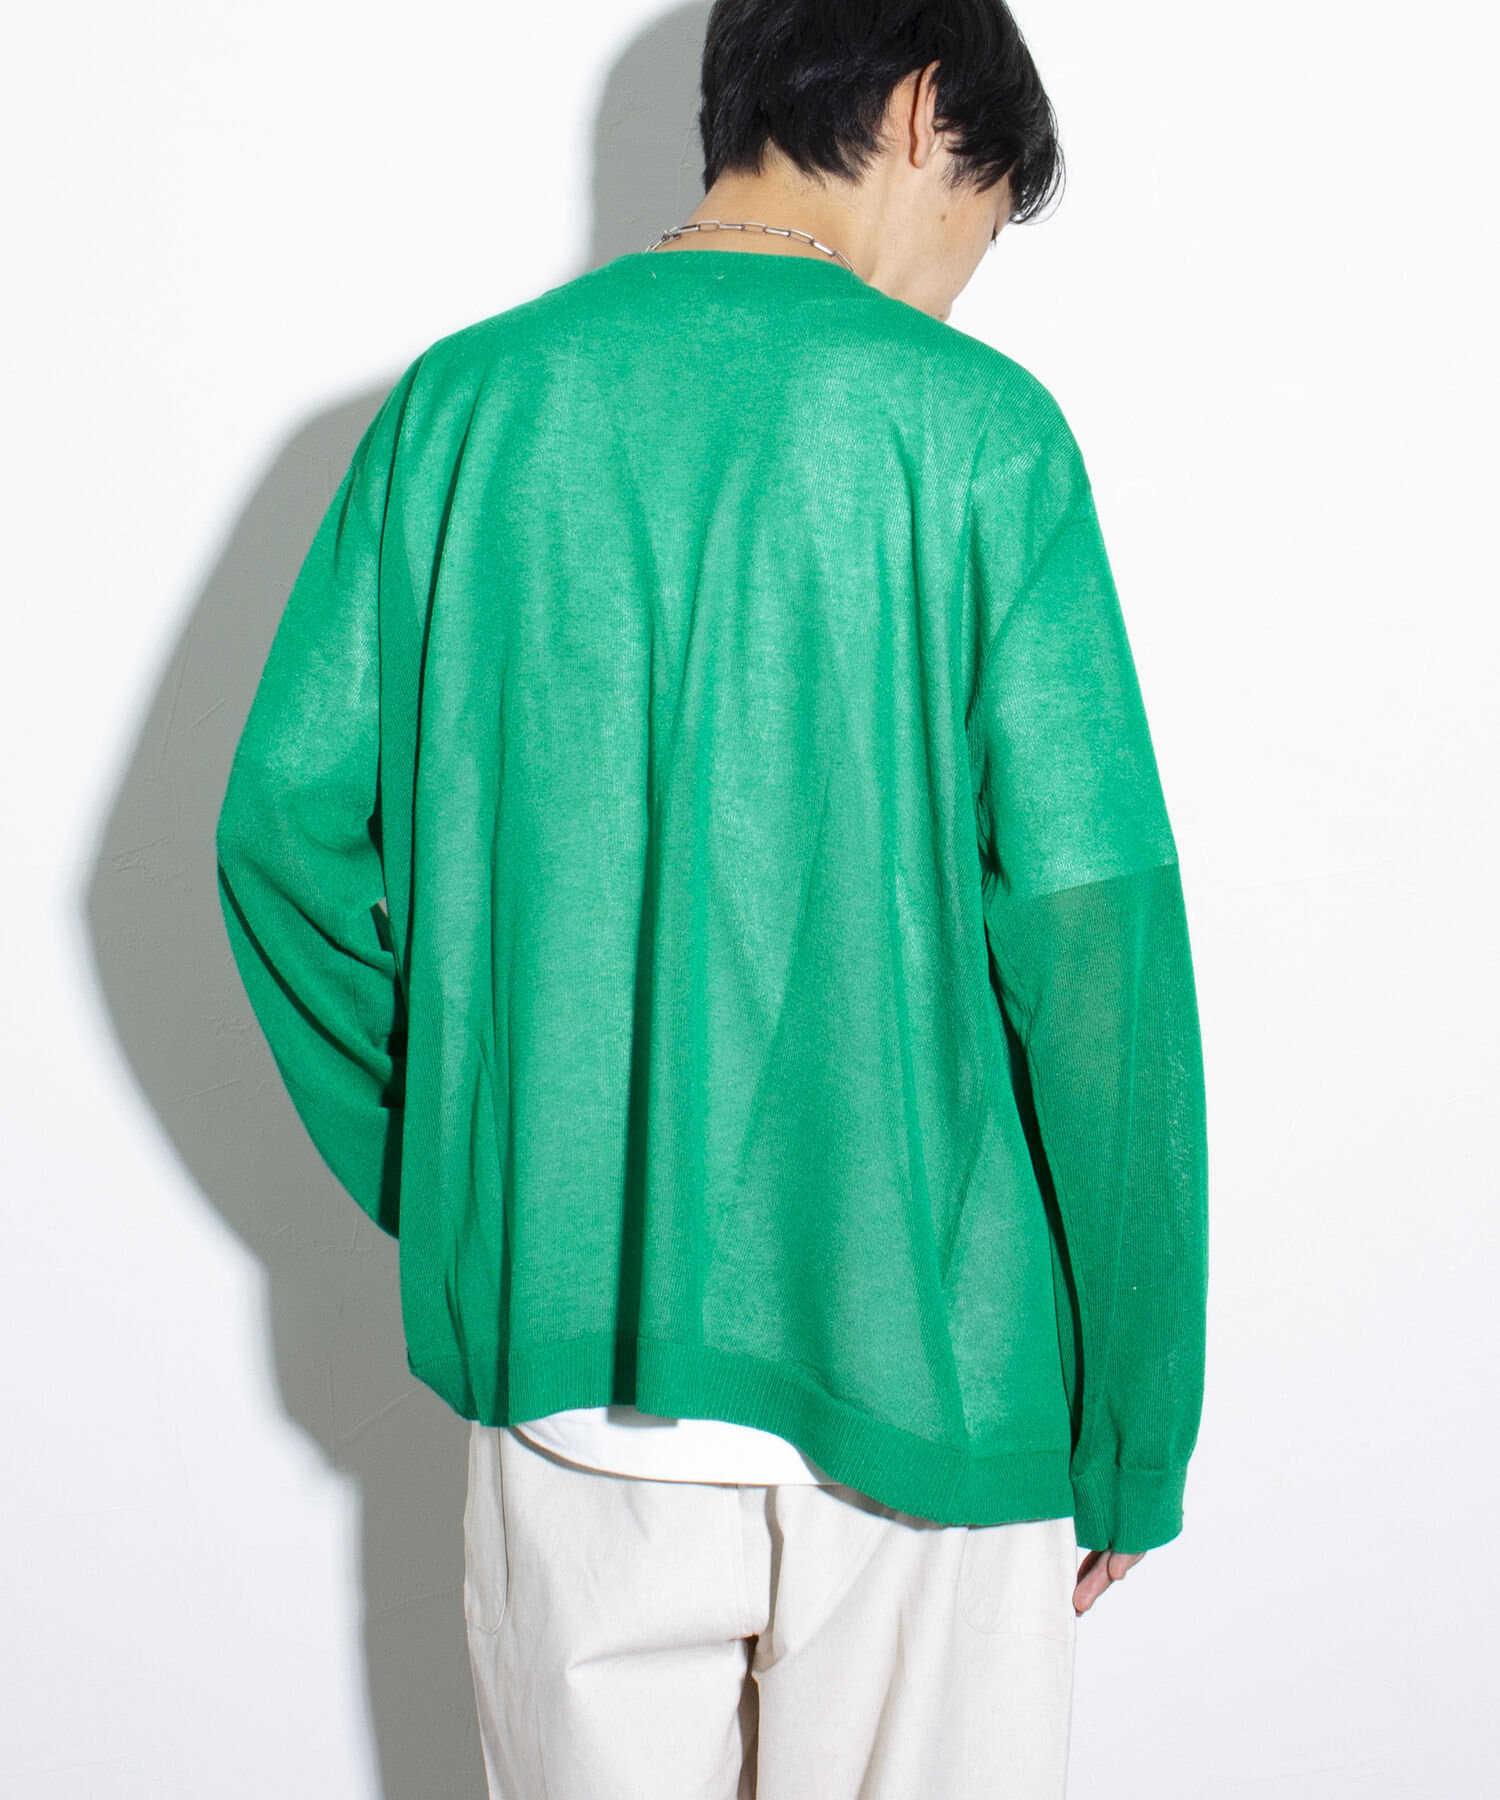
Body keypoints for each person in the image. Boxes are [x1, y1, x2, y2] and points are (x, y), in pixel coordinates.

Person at [214, 0, 1210, 1793]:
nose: (954, 290)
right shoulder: (976, 430)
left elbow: (284, 835)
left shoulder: (466, 408)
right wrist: (1138, 1415)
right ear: (925, 109)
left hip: (572, 1371)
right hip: (938, 1375)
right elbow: (1095, 948)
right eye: (982, 225)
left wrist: (476, 1178)